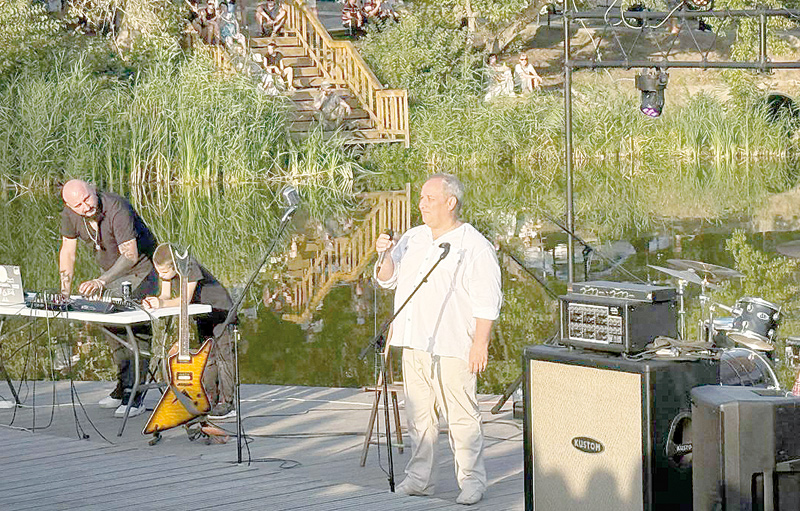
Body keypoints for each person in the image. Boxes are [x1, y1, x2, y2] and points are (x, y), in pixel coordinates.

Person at [374, 174, 502, 506]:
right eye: (421, 198)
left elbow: (487, 301)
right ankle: (420, 479)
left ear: (451, 202)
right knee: (419, 417)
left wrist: (480, 344)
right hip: (414, 341)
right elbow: (388, 279)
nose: (422, 204)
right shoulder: (413, 237)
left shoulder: (474, 246)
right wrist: (385, 254)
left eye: (430, 199)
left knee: (461, 417)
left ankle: (471, 481)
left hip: (453, 345)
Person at [59, 179, 159, 417]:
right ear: (70, 206)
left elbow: (130, 255)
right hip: (113, 276)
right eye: (78, 205)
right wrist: (64, 292)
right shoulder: (70, 214)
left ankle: (135, 395)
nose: (86, 207)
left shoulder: (116, 207)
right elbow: (68, 252)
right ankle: (123, 386)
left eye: (87, 199)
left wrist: (101, 281)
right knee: (108, 322)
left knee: (133, 327)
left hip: (142, 270)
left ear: (93, 190)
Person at [142, 244, 237, 419]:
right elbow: (165, 296)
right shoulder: (166, 270)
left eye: (164, 272)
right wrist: (155, 301)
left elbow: (185, 299)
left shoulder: (189, 266)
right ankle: (211, 398)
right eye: (158, 272)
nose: (161, 276)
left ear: (175, 265)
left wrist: (162, 304)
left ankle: (228, 403)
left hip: (220, 310)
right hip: (202, 313)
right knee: (208, 357)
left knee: (224, 357)